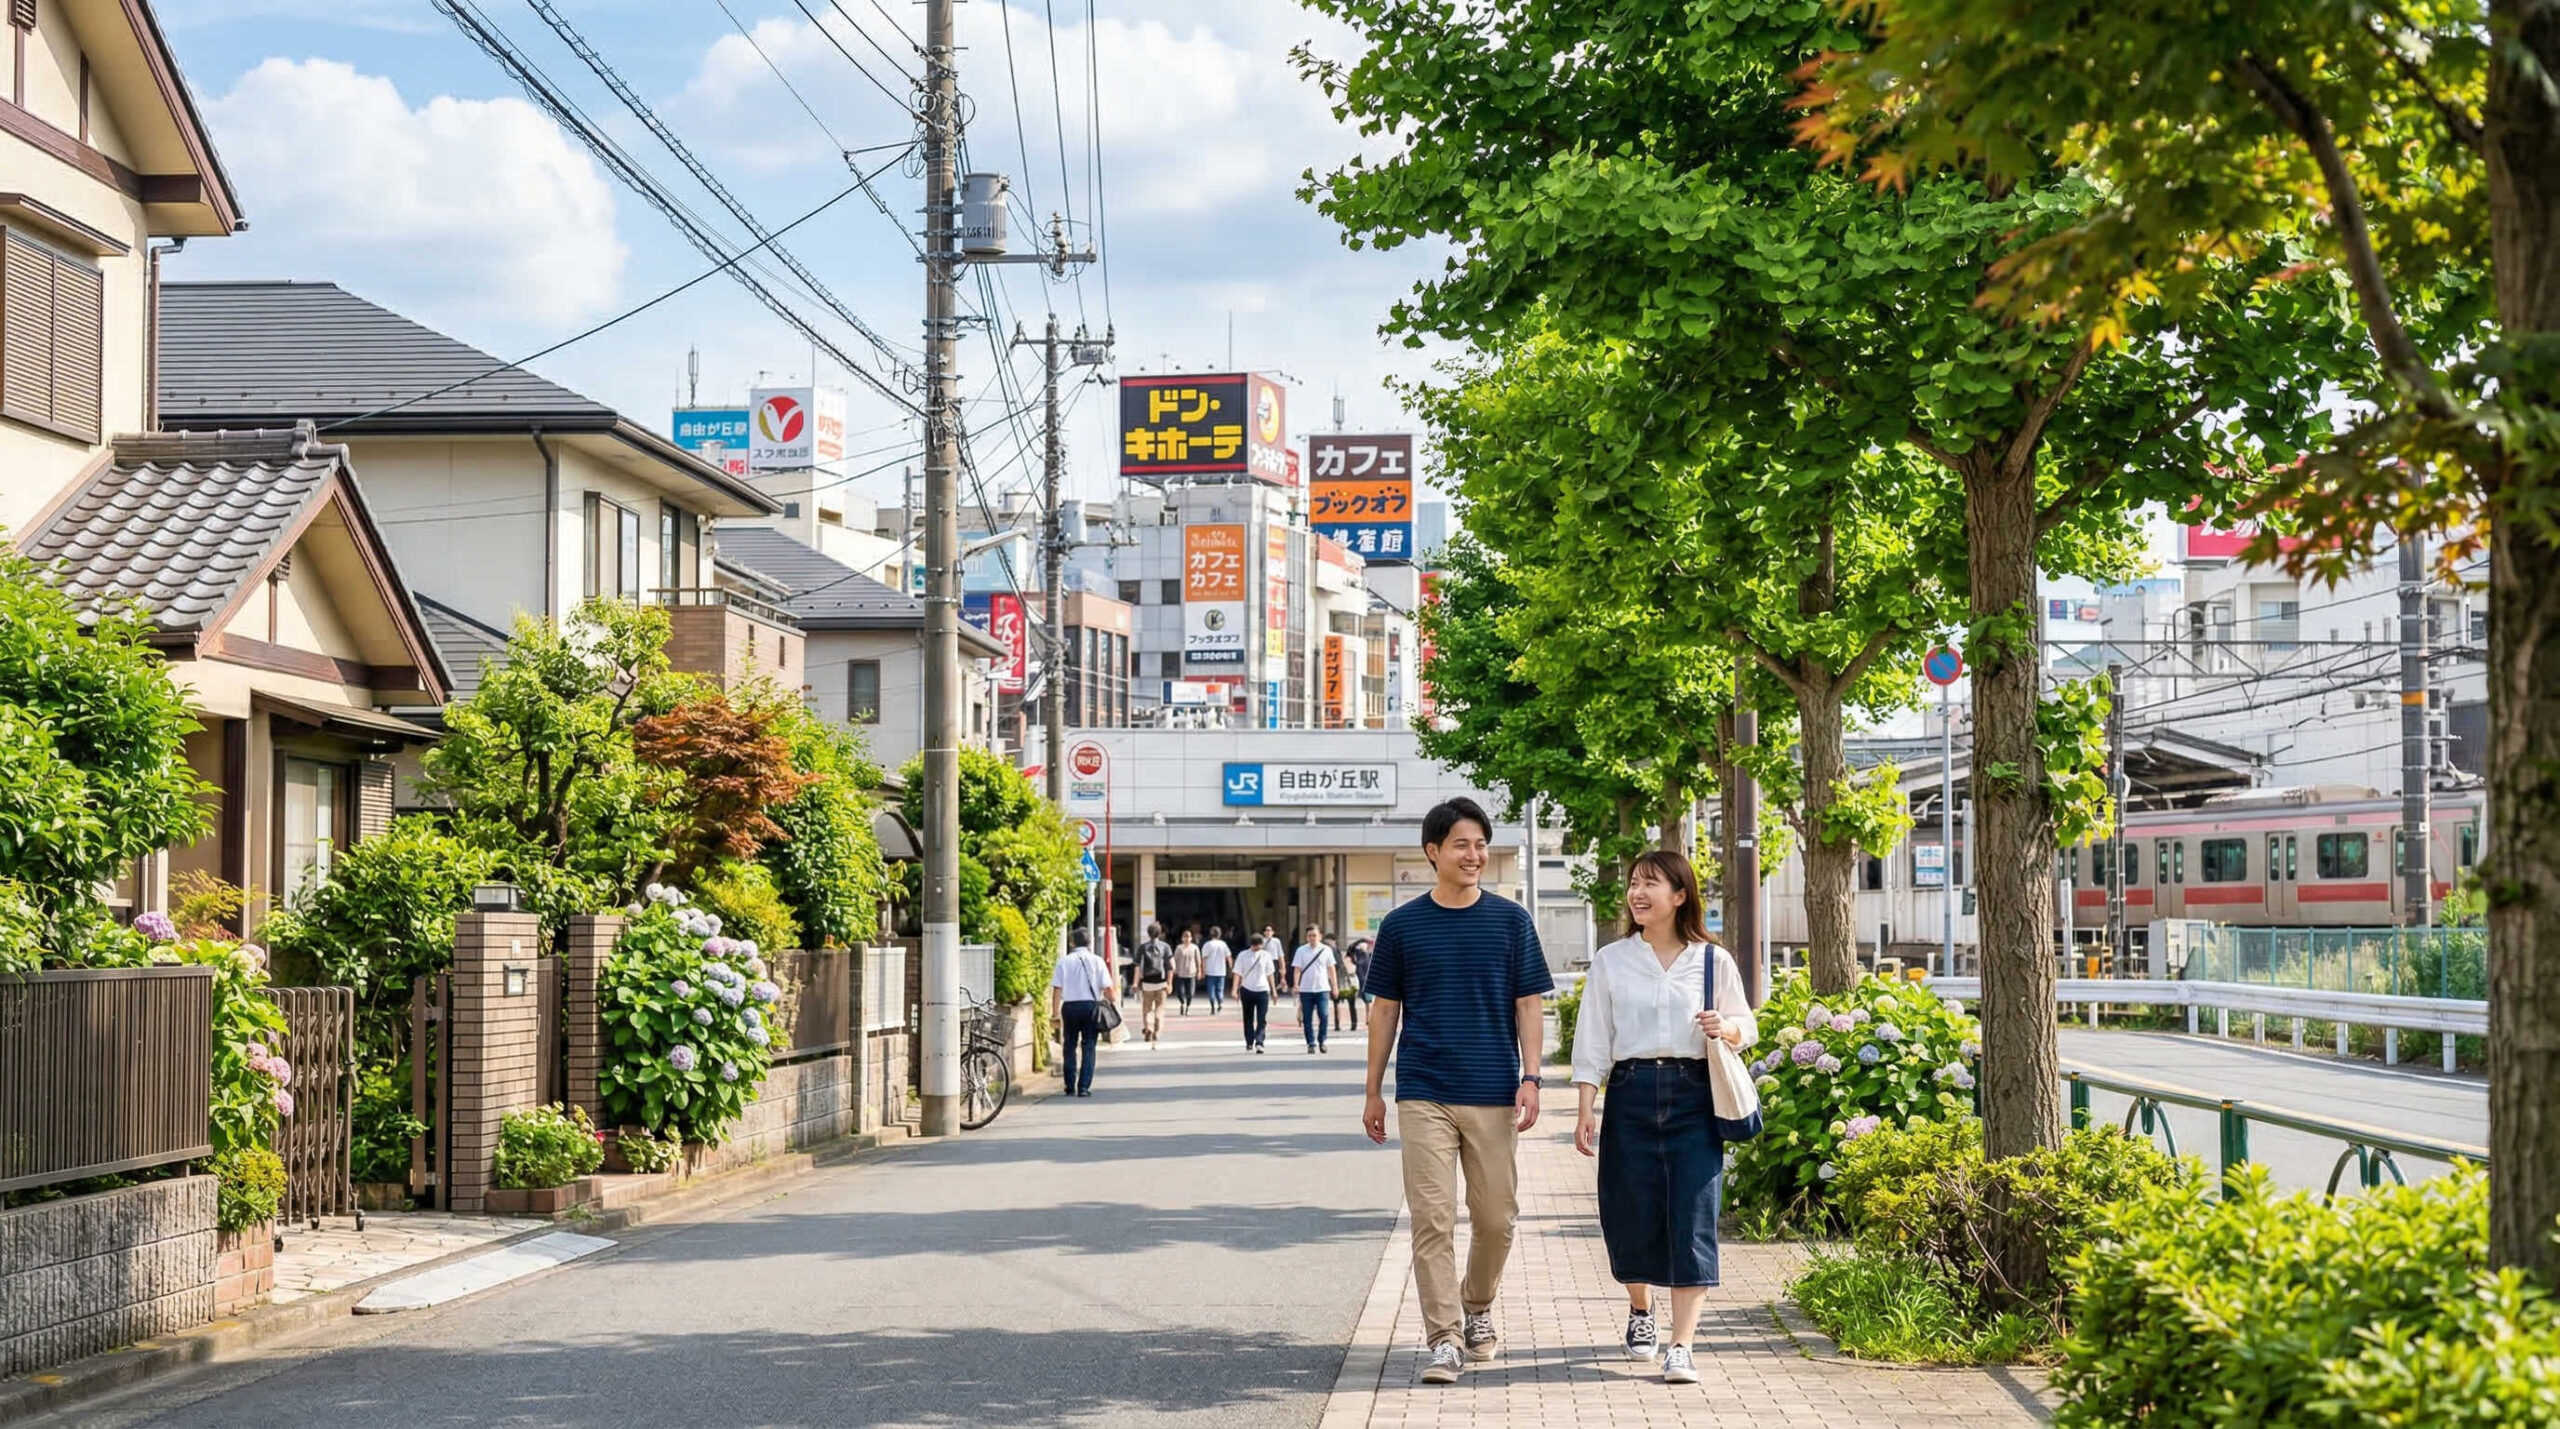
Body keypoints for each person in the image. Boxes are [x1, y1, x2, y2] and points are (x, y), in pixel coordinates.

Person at [1362, 797, 1554, 1386]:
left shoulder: (1511, 921)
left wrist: (1531, 1076)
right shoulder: (1401, 926)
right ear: (1433, 852)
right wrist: (1373, 1091)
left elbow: (1528, 1003)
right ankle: (1444, 1339)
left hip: (1493, 1089)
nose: (1473, 855)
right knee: (1433, 1218)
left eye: (1480, 845)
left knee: (1496, 1218)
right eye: (1461, 845)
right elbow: (1385, 1011)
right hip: (1424, 1090)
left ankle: (1477, 1304)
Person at [1571, 850, 1755, 1386]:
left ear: (1680, 895)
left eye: (1650, 883)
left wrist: (1726, 1027)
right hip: (1630, 1091)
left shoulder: (1712, 960)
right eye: (1634, 883)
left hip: (1694, 1093)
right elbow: (1593, 1037)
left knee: (1693, 1215)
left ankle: (1682, 1345)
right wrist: (1586, 1105)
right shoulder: (1612, 960)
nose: (1637, 893)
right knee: (1630, 1210)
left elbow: (1746, 1024)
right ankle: (1641, 1309)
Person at [1049, 928, 1115, 1097]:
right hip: (1091, 1007)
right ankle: (1084, 1087)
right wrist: (1112, 1000)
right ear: (1089, 942)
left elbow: (1057, 989)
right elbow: (1108, 988)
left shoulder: (1064, 961)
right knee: (1089, 1045)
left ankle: (1069, 1085)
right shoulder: (1097, 961)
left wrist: (1055, 1012)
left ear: (1072, 942)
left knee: (1069, 1045)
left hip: (1070, 1007)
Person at [1232, 928, 1279, 1053]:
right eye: (1255, 945)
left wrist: (1274, 991)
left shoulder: (1266, 956)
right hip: (1247, 989)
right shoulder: (1243, 955)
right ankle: (1249, 1041)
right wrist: (1234, 989)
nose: (1257, 948)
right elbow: (1237, 973)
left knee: (1261, 1018)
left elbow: (1270, 974)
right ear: (1251, 944)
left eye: (1259, 945)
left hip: (1262, 990)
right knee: (1248, 1017)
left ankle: (1259, 1042)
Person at [1293, 924, 1338, 1053]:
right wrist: (1296, 984)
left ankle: (1322, 1040)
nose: (1312, 938)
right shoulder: (1301, 950)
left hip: (1322, 989)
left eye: (1315, 935)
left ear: (1320, 936)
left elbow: (1331, 969)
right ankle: (1311, 1043)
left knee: (1324, 1015)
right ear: (1306, 937)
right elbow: (1297, 969)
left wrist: (1334, 986)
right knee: (1307, 1018)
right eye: (1310, 936)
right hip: (1306, 989)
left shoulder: (1326, 950)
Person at [1134, 923, 1174, 1045]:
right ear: (1160, 933)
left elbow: (1137, 967)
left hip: (1147, 983)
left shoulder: (1142, 947)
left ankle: (1149, 1027)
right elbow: (1170, 967)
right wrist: (1170, 983)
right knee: (1160, 1008)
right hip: (1161, 982)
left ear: (1148, 933)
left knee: (1147, 1008)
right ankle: (1157, 1031)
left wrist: (1135, 983)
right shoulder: (1166, 947)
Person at [1336, 936, 1372, 1032]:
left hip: (1363, 981)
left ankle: (1367, 1020)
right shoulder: (1357, 954)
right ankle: (1354, 1023)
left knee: (1367, 1001)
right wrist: (1360, 940)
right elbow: (1351, 947)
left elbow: (1359, 963)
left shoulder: (1365, 955)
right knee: (1353, 1003)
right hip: (1354, 982)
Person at [1201, 926, 1231, 1015]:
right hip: (1221, 971)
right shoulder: (1223, 944)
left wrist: (1203, 970)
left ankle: (1212, 1005)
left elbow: (1204, 958)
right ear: (1220, 934)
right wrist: (1231, 967)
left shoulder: (1207, 944)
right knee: (1220, 989)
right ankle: (1220, 1003)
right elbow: (1229, 957)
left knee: (1211, 989)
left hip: (1210, 971)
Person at [1173, 930, 1204, 1016]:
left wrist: (1199, 971)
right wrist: (1174, 969)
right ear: (1182, 938)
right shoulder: (1179, 948)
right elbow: (1175, 959)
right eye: (1185, 937)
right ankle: (1182, 1003)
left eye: (1188, 937)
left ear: (1191, 938)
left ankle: (1187, 1006)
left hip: (1191, 973)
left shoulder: (1194, 948)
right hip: (1180, 973)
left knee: (1190, 993)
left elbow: (1198, 961)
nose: (1187, 939)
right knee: (1180, 992)